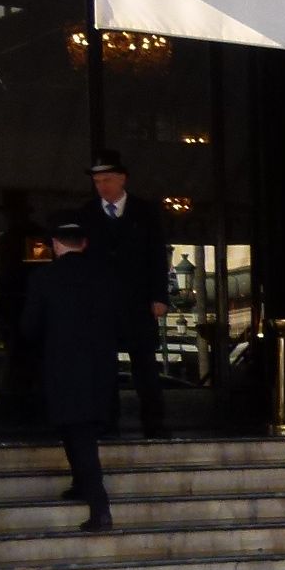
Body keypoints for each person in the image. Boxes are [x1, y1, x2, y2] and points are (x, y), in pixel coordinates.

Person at [22, 219, 119, 532]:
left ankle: (100, 508)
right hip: (101, 368)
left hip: (63, 367)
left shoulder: (44, 277)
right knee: (80, 431)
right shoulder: (104, 275)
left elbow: (30, 326)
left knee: (78, 434)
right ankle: (80, 483)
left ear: (55, 244)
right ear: (84, 243)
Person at [82, 151, 171, 438]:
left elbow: (157, 256)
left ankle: (154, 422)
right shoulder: (86, 214)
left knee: (144, 365)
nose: (102, 186)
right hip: (101, 304)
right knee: (104, 366)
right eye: (97, 181)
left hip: (138, 302)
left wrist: (159, 297)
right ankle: (107, 422)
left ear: (123, 179)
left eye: (107, 180)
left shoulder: (145, 212)